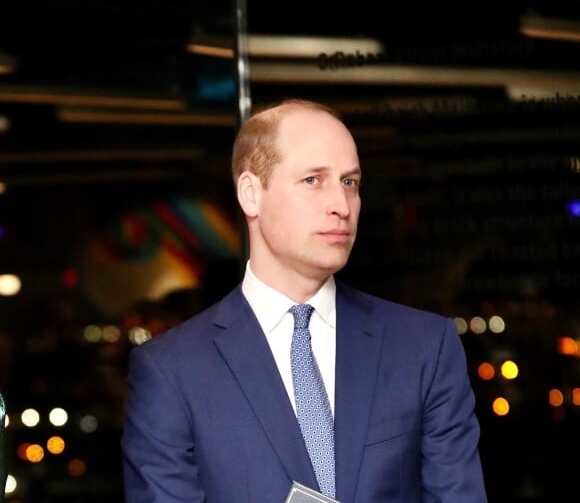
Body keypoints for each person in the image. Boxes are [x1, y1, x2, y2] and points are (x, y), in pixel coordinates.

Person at [121, 98, 488, 502]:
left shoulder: (423, 347)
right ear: (250, 194)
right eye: (313, 180)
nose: (341, 205)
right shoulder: (172, 371)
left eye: (350, 182)